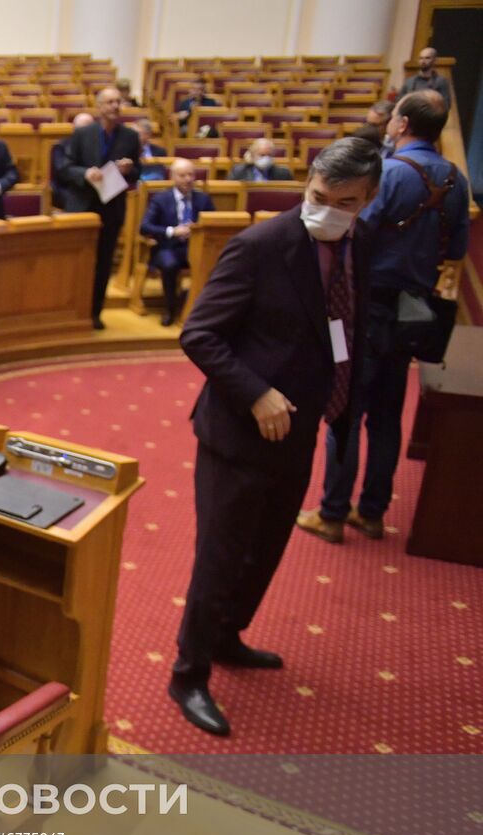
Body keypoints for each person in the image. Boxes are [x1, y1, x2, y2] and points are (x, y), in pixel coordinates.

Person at [172, 138, 381, 737]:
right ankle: (188, 672)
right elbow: (201, 335)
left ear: (366, 201)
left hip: (303, 426)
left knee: (264, 550)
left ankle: (228, 635)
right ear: (307, 184)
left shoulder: (360, 242)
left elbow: (345, 324)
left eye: (343, 202)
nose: (326, 210)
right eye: (317, 196)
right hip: (239, 431)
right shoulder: (260, 246)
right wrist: (255, 391)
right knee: (220, 554)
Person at [298, 94, 469, 545]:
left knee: (346, 413)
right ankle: (372, 513)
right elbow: (455, 251)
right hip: (415, 311)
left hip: (368, 305)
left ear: (404, 123)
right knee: (388, 416)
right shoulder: (456, 180)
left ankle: (332, 513)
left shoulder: (387, 174)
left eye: (394, 116)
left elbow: (350, 232)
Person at [58, 88, 140, 329]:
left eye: (118, 101)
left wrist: (128, 170)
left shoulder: (130, 137)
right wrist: (85, 173)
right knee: (77, 261)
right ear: (99, 107)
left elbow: (138, 172)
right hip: (83, 205)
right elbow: (65, 168)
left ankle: (95, 312)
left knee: (103, 263)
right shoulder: (83, 134)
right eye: (110, 102)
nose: (115, 106)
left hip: (111, 206)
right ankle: (71, 309)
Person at [140, 159, 215, 325]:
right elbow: (145, 227)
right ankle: (170, 309)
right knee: (169, 264)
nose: (188, 179)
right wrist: (172, 231)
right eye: (183, 175)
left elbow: (213, 224)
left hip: (195, 247)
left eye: (191, 175)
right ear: (173, 177)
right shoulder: (161, 199)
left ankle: (198, 307)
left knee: (215, 263)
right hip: (167, 248)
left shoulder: (203, 199)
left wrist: (197, 228)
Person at [50, 111, 94, 209]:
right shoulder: (61, 146)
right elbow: (63, 173)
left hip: (90, 189)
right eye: (80, 129)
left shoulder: (96, 147)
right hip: (66, 190)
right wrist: (85, 174)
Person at [399, 47, 452, 113]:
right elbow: (399, 101)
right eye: (421, 58)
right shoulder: (410, 81)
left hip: (430, 118)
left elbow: (446, 105)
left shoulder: (440, 81)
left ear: (435, 60)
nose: (423, 61)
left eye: (427, 58)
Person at [228, 138, 292, 181]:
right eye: (262, 155)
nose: (266, 158)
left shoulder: (284, 174)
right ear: (252, 155)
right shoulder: (239, 172)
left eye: (269, 155)